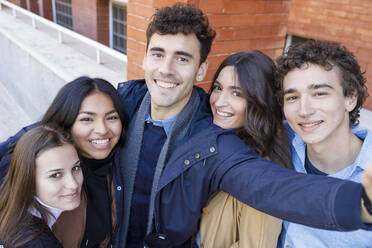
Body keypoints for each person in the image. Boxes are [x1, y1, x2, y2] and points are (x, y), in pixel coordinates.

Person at [115, 3, 372, 248]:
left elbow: (272, 187)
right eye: (158, 54)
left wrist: (361, 203)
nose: (166, 69)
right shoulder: (117, 106)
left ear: (201, 69)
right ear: (145, 58)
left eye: (182, 59)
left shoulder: (213, 140)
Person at [0, 76, 128, 247]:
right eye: (87, 119)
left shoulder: (120, 162)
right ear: (66, 122)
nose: (102, 130)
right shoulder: (36, 159)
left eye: (111, 117)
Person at [275, 40, 372, 247]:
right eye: (292, 97)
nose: (304, 110)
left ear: (350, 98)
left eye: (319, 93)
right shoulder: (278, 148)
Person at [197, 51, 290, 248]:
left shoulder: (262, 176)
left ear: (260, 101)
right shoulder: (213, 144)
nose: (219, 101)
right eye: (217, 88)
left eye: (236, 93)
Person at [0, 124, 82, 247]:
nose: (73, 184)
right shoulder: (39, 243)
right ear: (29, 180)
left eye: (76, 168)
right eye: (56, 175)